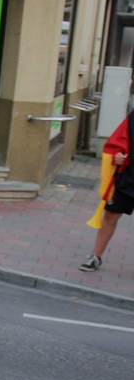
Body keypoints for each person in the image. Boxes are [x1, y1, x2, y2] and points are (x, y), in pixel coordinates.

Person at [80, 107, 133, 271]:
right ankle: (96, 256)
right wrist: (119, 155)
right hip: (129, 176)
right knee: (110, 215)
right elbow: (119, 142)